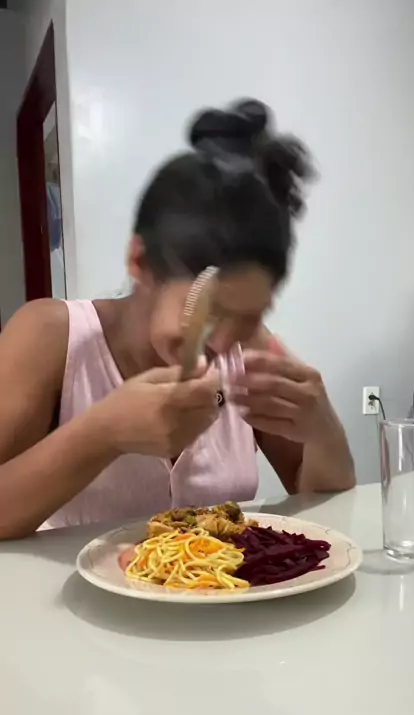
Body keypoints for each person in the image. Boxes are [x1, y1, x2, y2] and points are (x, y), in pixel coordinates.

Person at [0, 98, 354, 539]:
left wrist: (323, 428)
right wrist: (105, 432)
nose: (226, 341)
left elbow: (321, 509)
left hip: (221, 583)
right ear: (140, 261)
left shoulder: (251, 354)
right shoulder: (53, 336)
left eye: (251, 316)